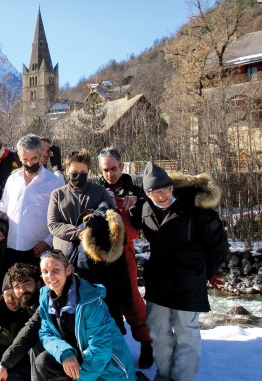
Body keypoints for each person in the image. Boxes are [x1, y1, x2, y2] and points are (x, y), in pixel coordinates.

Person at [130, 162, 229, 381]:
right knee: (158, 334)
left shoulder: (194, 209)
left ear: (171, 188)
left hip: (187, 282)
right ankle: (164, 375)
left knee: (186, 334)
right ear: (147, 194)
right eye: (154, 192)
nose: (161, 195)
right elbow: (128, 218)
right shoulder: (145, 209)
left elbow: (219, 244)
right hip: (158, 282)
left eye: (164, 189)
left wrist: (205, 273)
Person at [47, 149, 131, 335]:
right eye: (74, 173)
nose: (78, 177)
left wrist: (94, 223)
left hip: (96, 258)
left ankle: (109, 345)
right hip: (66, 257)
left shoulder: (99, 192)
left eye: (83, 173)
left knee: (101, 302)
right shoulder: (58, 195)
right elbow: (53, 224)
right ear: (67, 172)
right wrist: (77, 233)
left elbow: (111, 215)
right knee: (70, 303)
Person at [35, 249, 136, 380]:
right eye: (45, 272)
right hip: (79, 360)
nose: (50, 276)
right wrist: (65, 353)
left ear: (68, 270)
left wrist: (80, 378)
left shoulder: (89, 300)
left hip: (108, 368)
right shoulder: (45, 297)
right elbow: (46, 333)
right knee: (43, 361)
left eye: (55, 270)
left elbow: (100, 348)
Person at [97, 147, 153, 368]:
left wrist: (137, 203)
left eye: (113, 169)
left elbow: (145, 223)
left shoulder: (135, 191)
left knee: (132, 298)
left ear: (121, 166)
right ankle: (115, 343)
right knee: (104, 299)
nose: (110, 174)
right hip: (101, 253)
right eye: (105, 170)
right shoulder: (96, 190)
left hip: (125, 249)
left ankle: (147, 342)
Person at [0, 134, 64, 270]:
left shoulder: (55, 182)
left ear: (40, 155)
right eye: (25, 159)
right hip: (11, 247)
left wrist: (48, 241)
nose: (29, 164)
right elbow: (3, 207)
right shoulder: (13, 179)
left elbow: (63, 217)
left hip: (39, 251)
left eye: (34, 159)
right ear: (19, 158)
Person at [0, 263, 45, 381]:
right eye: (17, 287)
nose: (22, 290)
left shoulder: (44, 302)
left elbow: (28, 333)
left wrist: (4, 365)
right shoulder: (27, 304)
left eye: (27, 284)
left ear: (38, 283)